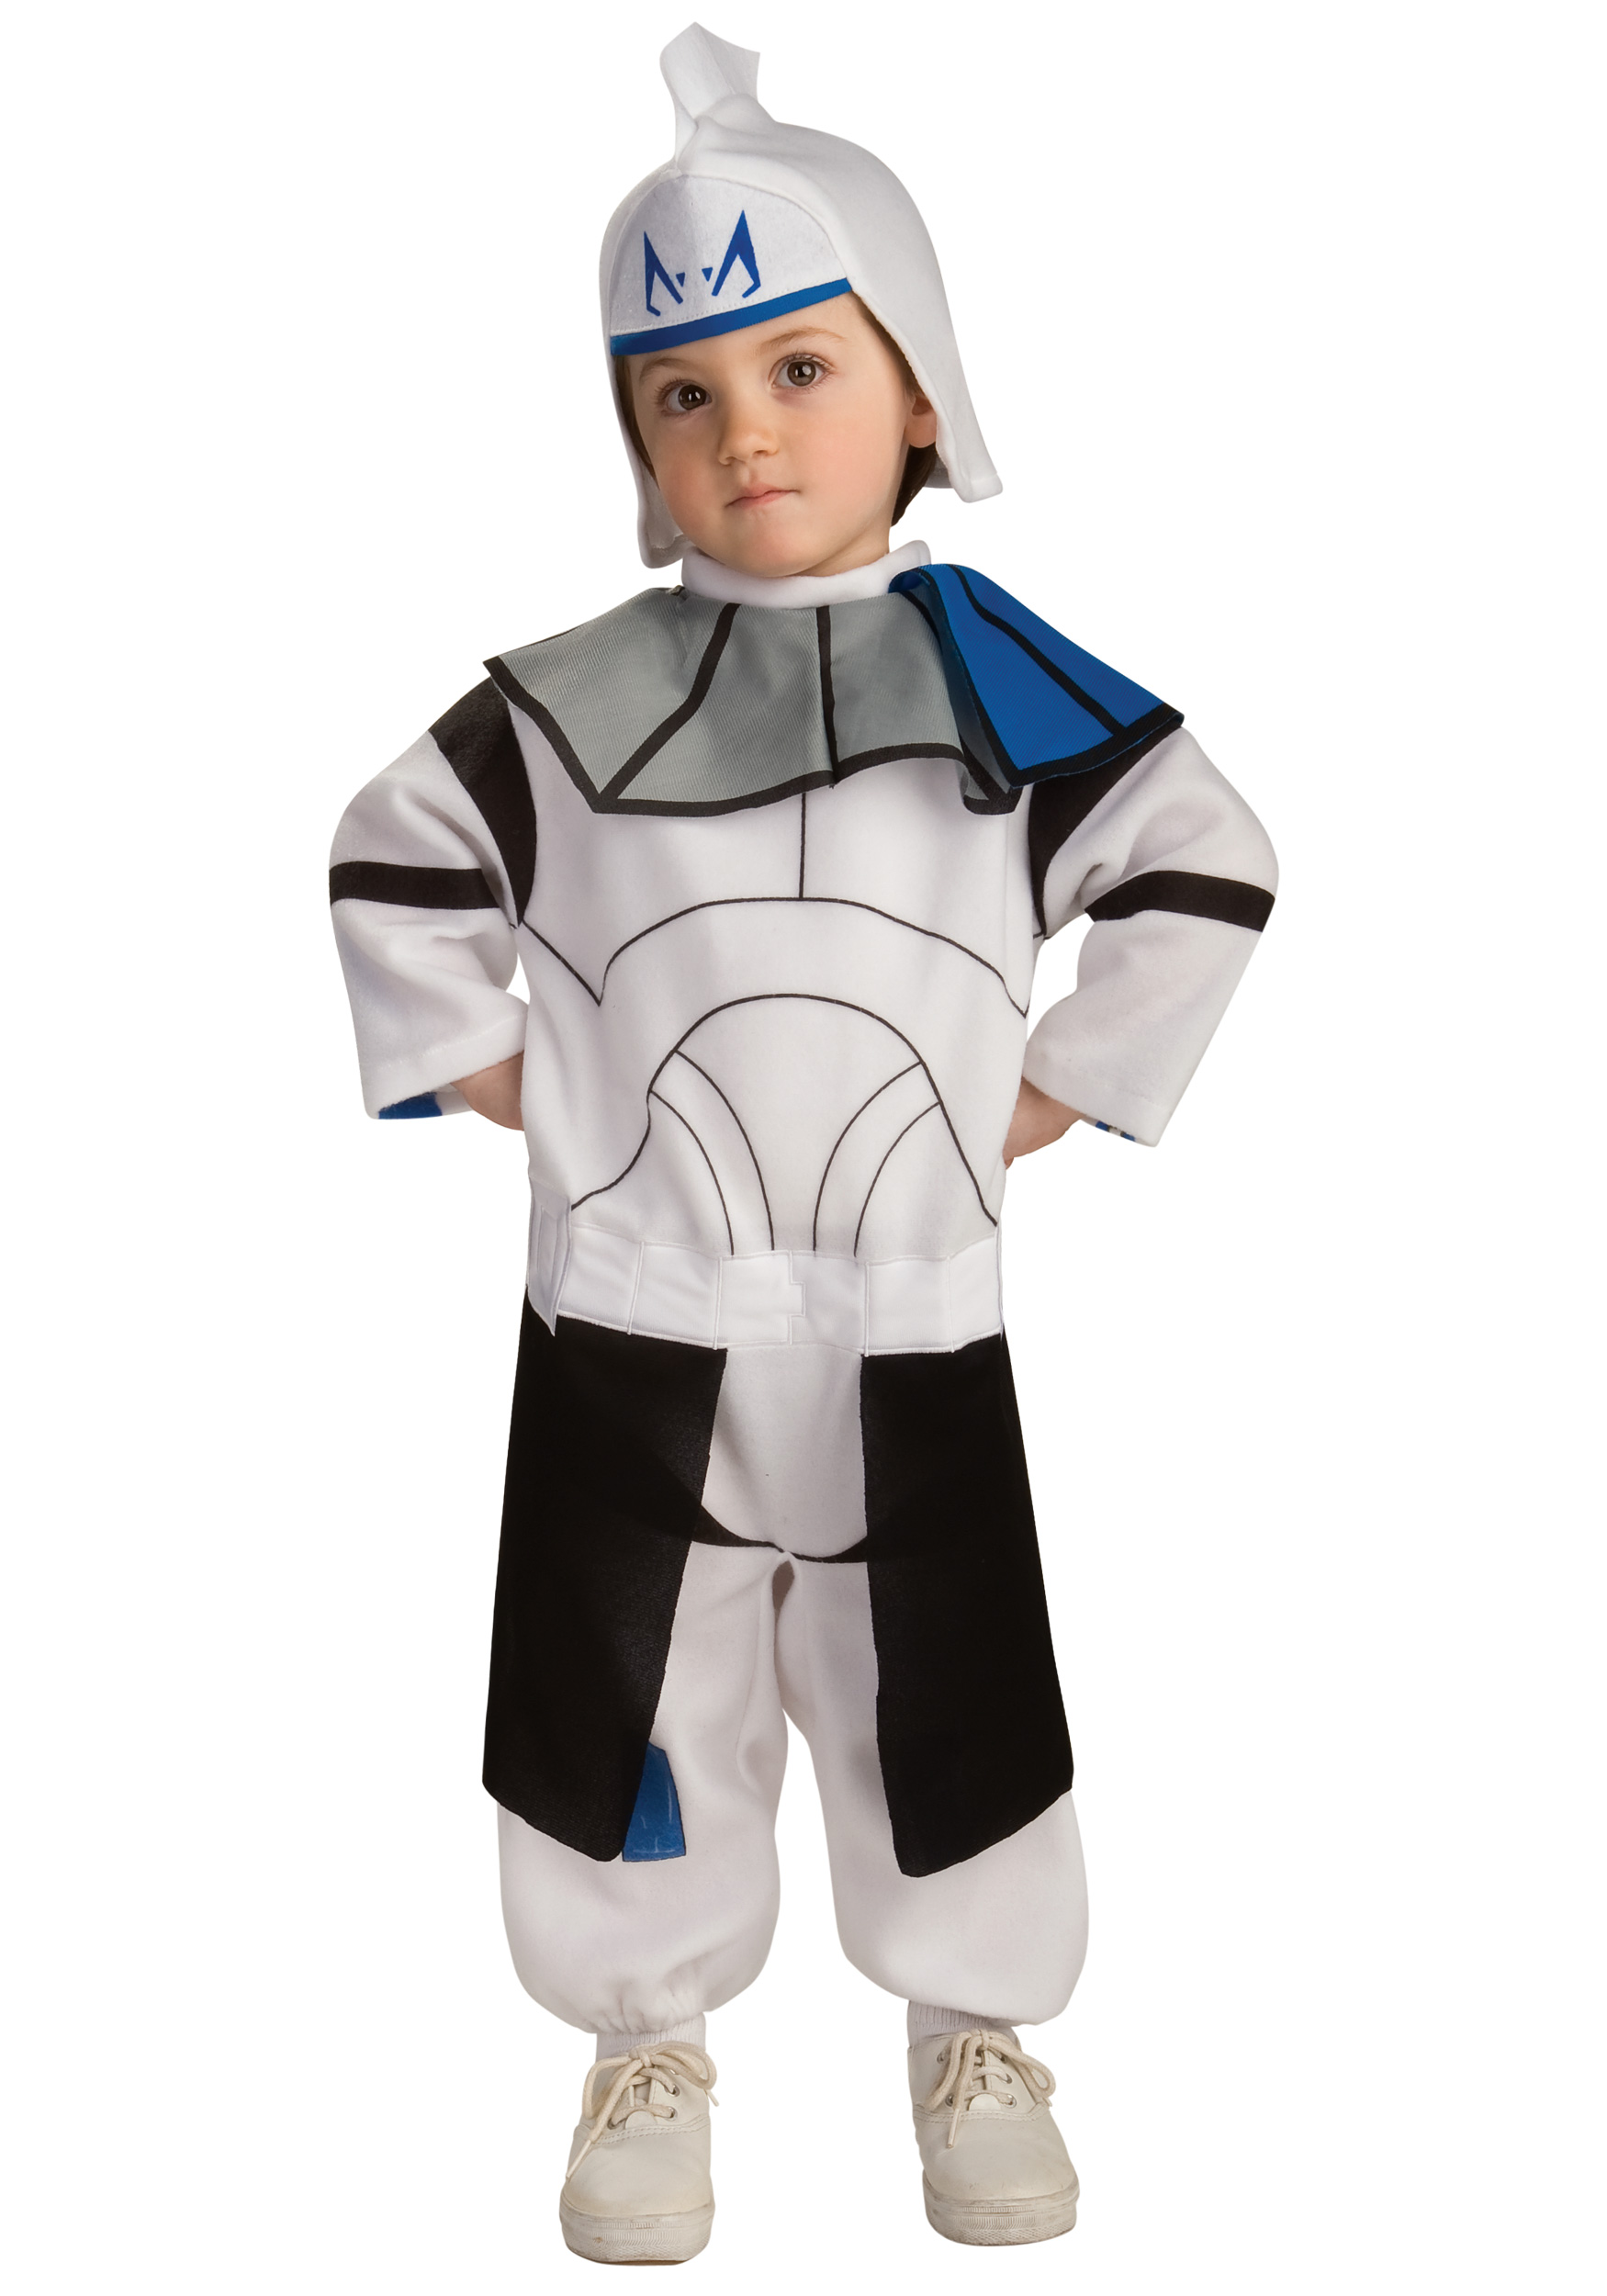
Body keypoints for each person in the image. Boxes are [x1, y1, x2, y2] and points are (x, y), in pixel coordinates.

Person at [330, 23, 1276, 2263]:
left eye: (799, 368)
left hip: (904, 1302)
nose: (742, 433)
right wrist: (509, 1080)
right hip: (632, 1295)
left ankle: (974, 2024)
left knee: (939, 1666)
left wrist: (1059, 1089)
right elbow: (392, 859)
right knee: (625, 1674)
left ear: (919, 392)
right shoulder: (562, 707)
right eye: (680, 395)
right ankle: (639, 2034)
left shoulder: (1001, 685)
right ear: (634, 444)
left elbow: (1203, 862)